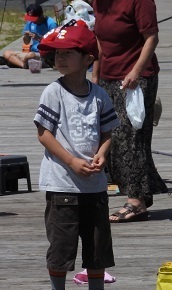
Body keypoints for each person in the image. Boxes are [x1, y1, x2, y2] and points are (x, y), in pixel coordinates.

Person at [78, 0, 168, 223]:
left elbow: (151, 37)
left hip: (137, 79)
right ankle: (140, 191)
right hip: (108, 77)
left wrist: (136, 71)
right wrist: (93, 76)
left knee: (132, 138)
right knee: (112, 138)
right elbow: (100, 41)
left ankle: (136, 201)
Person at [34, 23, 121, 290]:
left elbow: (108, 133)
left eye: (68, 53)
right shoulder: (54, 91)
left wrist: (102, 154)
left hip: (94, 186)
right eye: (57, 53)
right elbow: (43, 134)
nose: (60, 58)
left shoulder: (99, 95)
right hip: (62, 185)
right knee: (61, 246)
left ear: (87, 59)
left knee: (97, 247)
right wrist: (71, 161)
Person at [2, 3, 58, 69]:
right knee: (7, 53)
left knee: (30, 56)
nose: (32, 20)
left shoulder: (51, 24)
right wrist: (26, 36)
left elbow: (54, 45)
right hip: (31, 52)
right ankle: (23, 65)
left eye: (34, 18)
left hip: (43, 55)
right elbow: (26, 43)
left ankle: (18, 62)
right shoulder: (30, 22)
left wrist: (39, 39)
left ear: (41, 15)